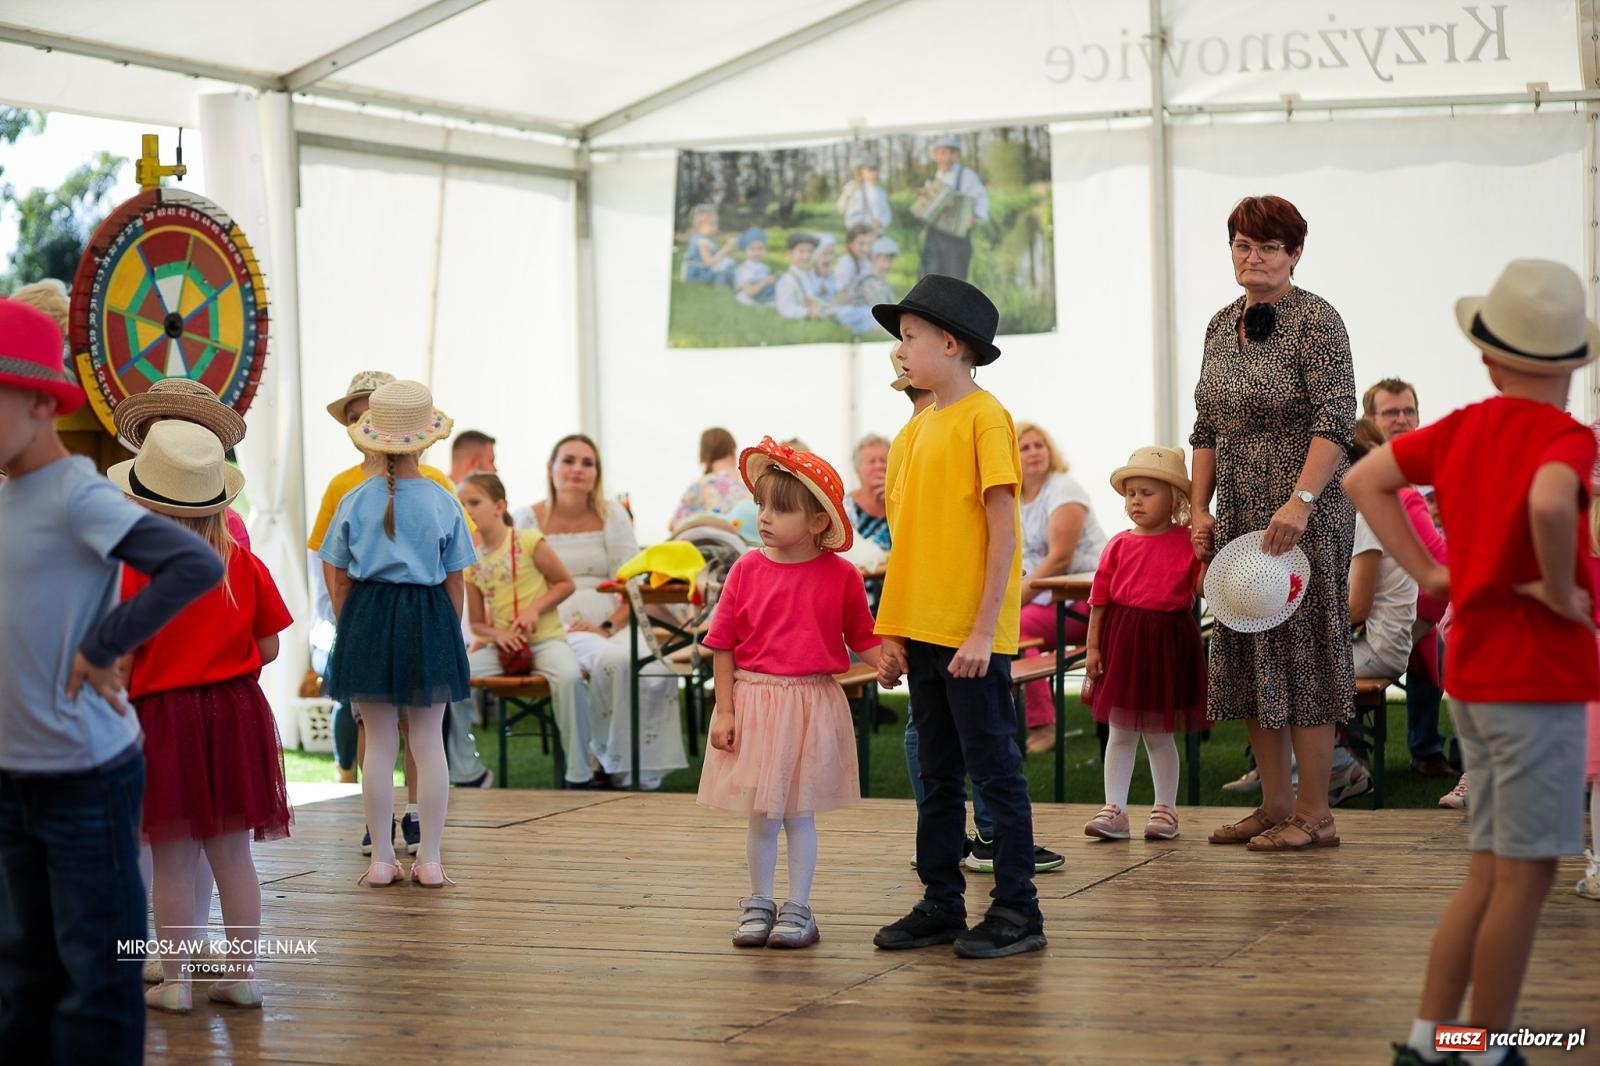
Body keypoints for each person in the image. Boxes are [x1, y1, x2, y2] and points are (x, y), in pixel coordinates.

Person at [1346, 259, 1600, 1066]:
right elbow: (1551, 500)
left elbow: (1364, 479)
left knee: (1488, 873)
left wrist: (1429, 572)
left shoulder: (1461, 428)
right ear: (1572, 363)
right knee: (1525, 879)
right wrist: (1556, 589)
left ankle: (1434, 1040)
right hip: (1538, 680)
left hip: (1476, 677)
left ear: (1489, 359)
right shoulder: (1565, 438)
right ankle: (1487, 1050)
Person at [0, 298, 223, 1063]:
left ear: (40, 402)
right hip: (13, 771)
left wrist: (104, 643)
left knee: (97, 972)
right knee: (22, 969)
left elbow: (194, 562)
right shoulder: (8, 498)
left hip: (84, 773)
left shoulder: (78, 494)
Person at [869, 274, 1046, 959]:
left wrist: (980, 631)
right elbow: (907, 544)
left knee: (995, 770)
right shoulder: (913, 432)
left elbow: (1004, 533)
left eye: (910, 336)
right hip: (921, 631)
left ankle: (1018, 910)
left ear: (950, 344)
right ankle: (941, 902)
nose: (900, 349)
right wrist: (891, 630)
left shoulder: (986, 418)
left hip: (971, 637)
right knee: (938, 775)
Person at [1191, 195, 1357, 852]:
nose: (1253, 257)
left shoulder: (1318, 320)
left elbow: (1336, 420)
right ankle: (1274, 804)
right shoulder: (1218, 325)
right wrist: (1197, 508)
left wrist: (1301, 501)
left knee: (1303, 655)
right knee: (1248, 650)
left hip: (1304, 515)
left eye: (1267, 247)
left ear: (1295, 253)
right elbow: (1204, 427)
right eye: (1242, 245)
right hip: (1238, 513)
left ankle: (1316, 814)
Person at [112, 422, 293, 1013]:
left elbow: (123, 658)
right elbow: (269, 646)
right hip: (236, 715)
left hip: (164, 719)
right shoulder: (244, 564)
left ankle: (177, 983)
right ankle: (241, 976)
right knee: (235, 857)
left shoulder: (135, 570)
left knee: (172, 860)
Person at [698, 438, 880, 949]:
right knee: (762, 815)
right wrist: (725, 710)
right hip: (756, 705)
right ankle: (759, 900)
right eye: (762, 505)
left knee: (799, 814)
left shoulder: (841, 576)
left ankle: (798, 907)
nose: (764, 517)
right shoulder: (745, 569)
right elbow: (722, 644)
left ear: (819, 520)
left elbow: (862, 637)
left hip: (810, 706)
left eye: (780, 509)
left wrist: (887, 662)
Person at [321, 381, 476, 889]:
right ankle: (429, 859)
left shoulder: (353, 499)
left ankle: (382, 860)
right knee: (429, 742)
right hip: (428, 616)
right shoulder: (443, 501)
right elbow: (456, 581)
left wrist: (352, 628)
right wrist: (447, 635)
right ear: (425, 441)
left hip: (368, 616)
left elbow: (338, 577)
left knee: (380, 744)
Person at [518, 435, 688, 788]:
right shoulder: (527, 520)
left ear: (597, 473)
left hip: (614, 622)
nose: (577, 469)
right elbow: (520, 584)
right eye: (569, 460)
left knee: (655, 669)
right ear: (551, 468)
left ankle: (631, 767)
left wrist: (609, 626)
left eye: (588, 463)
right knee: (615, 662)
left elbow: (630, 583)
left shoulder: (612, 516)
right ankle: (601, 760)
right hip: (556, 626)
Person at [1080, 446, 1204, 841]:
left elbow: (1202, 589)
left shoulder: (1187, 542)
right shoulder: (1118, 544)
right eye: (1131, 493)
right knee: (1120, 731)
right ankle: (1114, 809)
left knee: (1158, 733)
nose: (1136, 500)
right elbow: (1100, 601)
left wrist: (1206, 555)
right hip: (1124, 644)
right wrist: (1093, 649)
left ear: (1175, 500)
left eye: (1147, 493)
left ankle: (1165, 809)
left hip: (1167, 646)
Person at [459, 473, 595, 788]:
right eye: (461, 504)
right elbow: (477, 623)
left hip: (547, 641)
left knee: (570, 677)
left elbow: (565, 583)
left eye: (474, 502)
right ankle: (468, 772)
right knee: (451, 678)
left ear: (500, 506)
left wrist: (535, 609)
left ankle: (580, 775)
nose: (466, 510)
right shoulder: (471, 563)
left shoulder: (529, 540)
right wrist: (499, 636)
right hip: (502, 648)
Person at [1364, 377, 1459, 780]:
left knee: (1444, 636)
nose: (1402, 419)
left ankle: (1430, 748)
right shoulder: (1361, 471)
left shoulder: (1435, 468)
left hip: (1429, 596)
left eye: (1409, 411)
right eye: (1391, 412)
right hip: (1380, 598)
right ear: (1370, 420)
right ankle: (1353, 755)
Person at [1015, 422, 1107, 753]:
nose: (1034, 452)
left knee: (1013, 627)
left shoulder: (1063, 488)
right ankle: (1000, 724)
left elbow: (1059, 558)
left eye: (1039, 445)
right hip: (1048, 598)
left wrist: (1012, 600)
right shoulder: (1015, 497)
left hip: (1088, 599)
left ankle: (1043, 725)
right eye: (1024, 447)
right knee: (1000, 627)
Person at [915, 136, 989, 281]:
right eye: (942, 153)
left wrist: (974, 217)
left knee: (955, 283)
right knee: (931, 281)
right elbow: (925, 213)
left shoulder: (967, 176)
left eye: (951, 153)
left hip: (957, 241)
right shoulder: (931, 180)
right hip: (934, 238)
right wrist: (923, 201)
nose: (946, 158)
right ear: (935, 155)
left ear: (956, 155)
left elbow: (982, 200)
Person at [669, 427, 754, 531]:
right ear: (733, 450)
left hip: (715, 539)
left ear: (704, 453)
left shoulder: (701, 486)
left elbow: (674, 525)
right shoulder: (753, 483)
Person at [836, 153, 892, 234]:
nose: (875, 174)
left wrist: (880, 222)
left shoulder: (881, 192)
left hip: (877, 232)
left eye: (876, 170)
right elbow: (846, 211)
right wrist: (867, 223)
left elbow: (886, 213)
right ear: (861, 173)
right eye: (870, 171)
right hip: (859, 234)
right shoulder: (855, 190)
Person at [682, 203, 736, 285]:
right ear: (699, 225)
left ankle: (731, 281)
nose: (714, 227)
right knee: (724, 274)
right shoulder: (701, 240)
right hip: (698, 273)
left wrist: (728, 251)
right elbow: (708, 262)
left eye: (716, 224)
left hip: (704, 270)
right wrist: (724, 251)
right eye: (711, 224)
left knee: (728, 263)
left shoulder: (707, 239)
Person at [774, 232, 825, 320]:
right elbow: (785, 309)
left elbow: (812, 297)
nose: (806, 256)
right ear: (790, 254)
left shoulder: (808, 275)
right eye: (801, 251)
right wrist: (808, 313)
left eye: (810, 252)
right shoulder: (787, 280)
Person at [733, 228, 776, 307]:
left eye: (760, 248)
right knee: (743, 297)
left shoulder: (764, 267)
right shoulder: (746, 269)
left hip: (763, 292)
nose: (756, 252)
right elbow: (749, 292)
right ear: (745, 250)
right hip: (753, 294)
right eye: (752, 249)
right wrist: (765, 282)